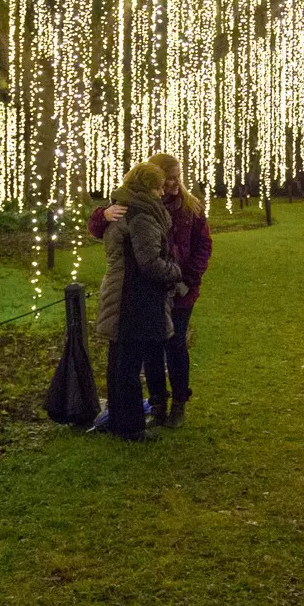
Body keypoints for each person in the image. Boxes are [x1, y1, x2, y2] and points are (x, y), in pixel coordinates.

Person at [87, 151, 213, 427]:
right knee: (152, 348)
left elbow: (203, 245)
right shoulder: (139, 205)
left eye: (178, 178)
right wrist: (103, 215)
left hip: (180, 290)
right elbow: (102, 228)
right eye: (168, 179)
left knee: (176, 344)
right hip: (152, 290)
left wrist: (187, 278)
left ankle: (179, 401)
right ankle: (158, 403)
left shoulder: (189, 207)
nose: (174, 184)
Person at [94, 161, 187, 440]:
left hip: (120, 292)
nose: (162, 193)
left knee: (120, 363)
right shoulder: (141, 216)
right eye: (158, 187)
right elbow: (149, 262)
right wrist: (176, 272)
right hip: (133, 297)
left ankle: (121, 421)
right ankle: (131, 427)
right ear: (148, 187)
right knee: (129, 366)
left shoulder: (122, 209)